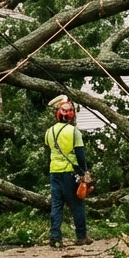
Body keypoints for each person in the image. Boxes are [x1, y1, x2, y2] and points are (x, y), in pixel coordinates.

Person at [44, 99, 93, 248]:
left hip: (54, 172)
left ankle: (55, 237)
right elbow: (80, 154)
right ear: (71, 116)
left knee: (56, 205)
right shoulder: (74, 132)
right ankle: (81, 235)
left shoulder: (49, 132)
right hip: (70, 173)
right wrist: (84, 172)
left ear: (57, 114)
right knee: (77, 204)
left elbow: (48, 152)